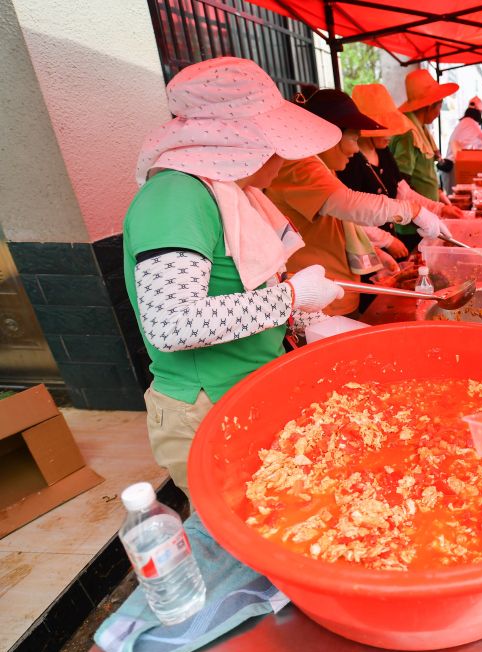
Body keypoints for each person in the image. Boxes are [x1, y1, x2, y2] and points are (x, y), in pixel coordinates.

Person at [124, 58, 346, 494]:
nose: (283, 156)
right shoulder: (176, 197)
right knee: (234, 523)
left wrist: (304, 316)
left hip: (249, 388)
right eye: (274, 142)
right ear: (242, 141)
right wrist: (291, 296)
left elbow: (238, 286)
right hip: (205, 407)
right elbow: (171, 323)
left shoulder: (229, 194)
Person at [266, 89, 452, 317]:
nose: (355, 149)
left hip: (335, 294)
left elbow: (338, 223)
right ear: (330, 134)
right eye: (354, 139)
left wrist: (376, 252)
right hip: (317, 305)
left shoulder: (323, 167)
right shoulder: (299, 165)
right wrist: (412, 211)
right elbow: (349, 204)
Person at [340, 83, 464, 253]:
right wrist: (386, 241)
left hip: (389, 239)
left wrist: (439, 208)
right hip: (367, 249)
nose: (391, 137)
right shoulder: (348, 161)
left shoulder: (383, 152)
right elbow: (350, 216)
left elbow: (403, 192)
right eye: (385, 130)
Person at [390, 69, 458, 213]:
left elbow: (424, 173)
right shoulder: (409, 133)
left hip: (427, 211)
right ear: (430, 106)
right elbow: (402, 183)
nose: (438, 113)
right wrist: (426, 210)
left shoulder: (420, 128)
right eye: (439, 107)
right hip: (415, 217)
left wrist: (439, 195)